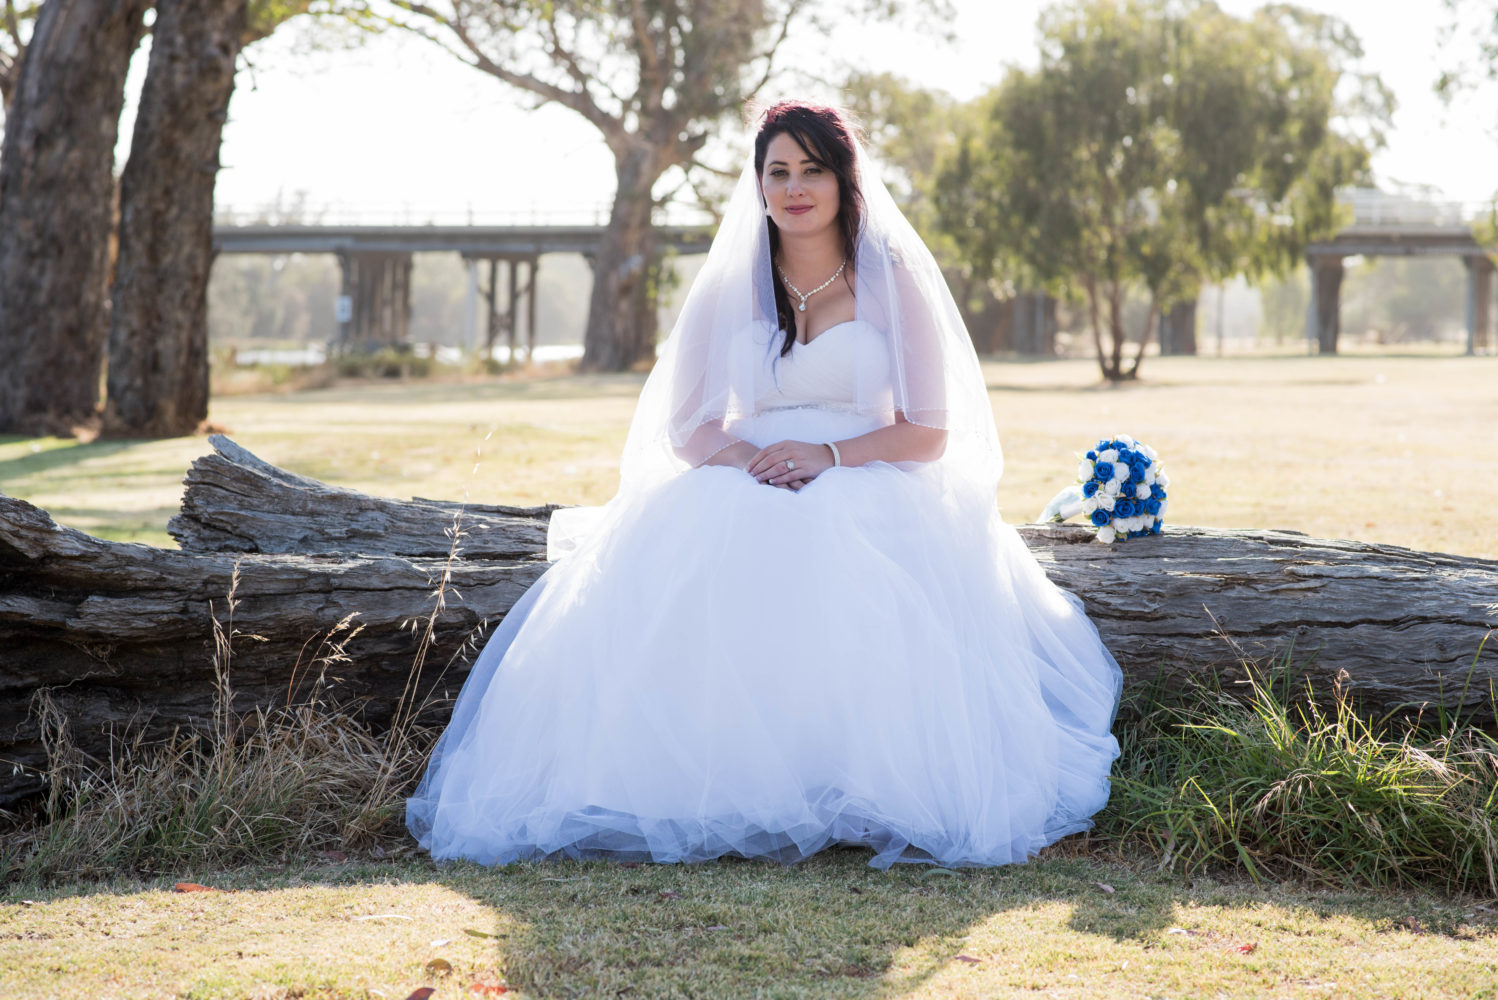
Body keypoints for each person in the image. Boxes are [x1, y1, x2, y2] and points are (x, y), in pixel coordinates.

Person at [406, 101, 1122, 870]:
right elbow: (689, 428)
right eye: (778, 172)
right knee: (709, 556)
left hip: (872, 474)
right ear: (758, 184)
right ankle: (710, 784)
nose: (795, 188)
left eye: (813, 170)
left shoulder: (891, 279)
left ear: (845, 182)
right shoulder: (729, 286)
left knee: (840, 556)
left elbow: (928, 431)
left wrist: (829, 456)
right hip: (746, 473)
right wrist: (754, 465)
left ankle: (853, 781)